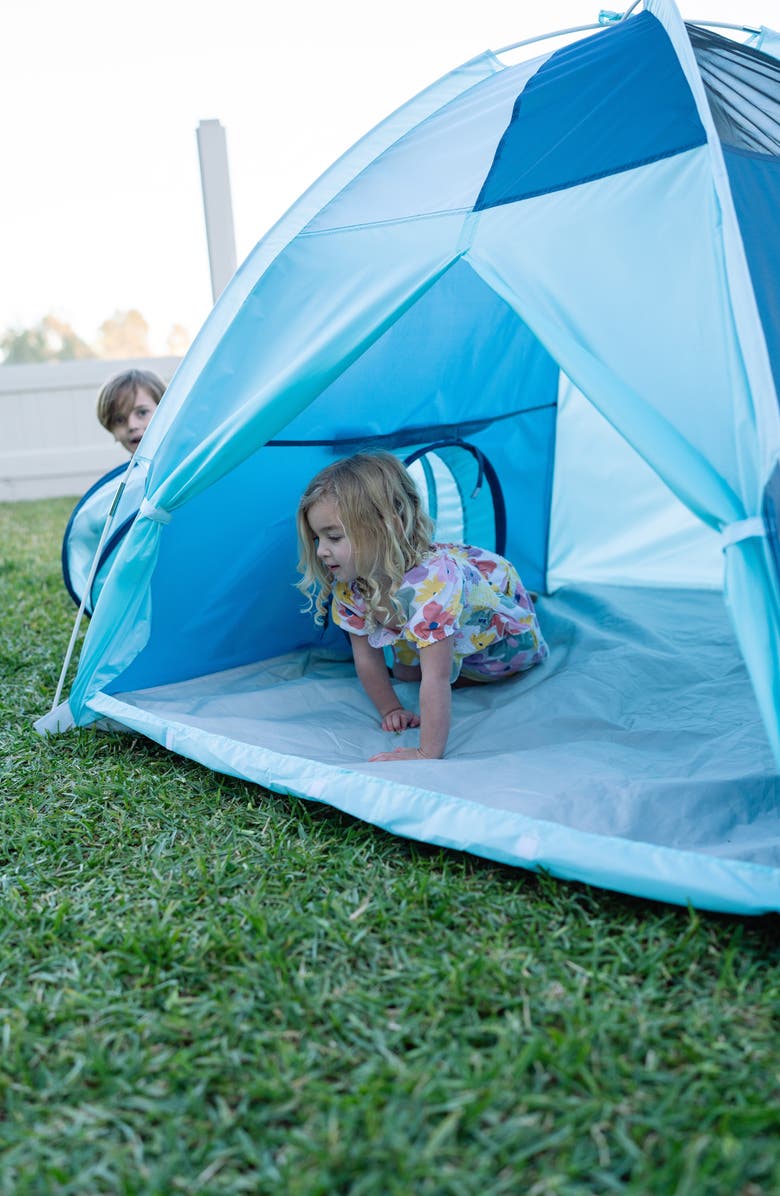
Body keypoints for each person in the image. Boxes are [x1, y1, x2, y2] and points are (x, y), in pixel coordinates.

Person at [296, 451, 548, 762]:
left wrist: (425, 752)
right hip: (438, 611)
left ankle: (513, 609)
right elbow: (366, 658)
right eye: (317, 538)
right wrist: (391, 708)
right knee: (403, 672)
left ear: (389, 526)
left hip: (501, 649)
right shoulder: (351, 586)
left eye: (333, 537)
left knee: (434, 670)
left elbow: (437, 679)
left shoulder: (433, 585)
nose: (321, 551)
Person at [96, 368, 166, 454]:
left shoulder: (185, 462)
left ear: (165, 411)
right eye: (119, 420)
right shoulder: (127, 468)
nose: (132, 426)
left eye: (142, 413)